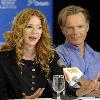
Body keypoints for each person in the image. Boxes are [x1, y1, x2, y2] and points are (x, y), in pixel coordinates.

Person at [0, 8, 64, 99]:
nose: (35, 32)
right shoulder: (3, 58)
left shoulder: (49, 55)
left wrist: (79, 91)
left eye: (39, 27)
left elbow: (62, 83)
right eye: (29, 26)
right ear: (20, 29)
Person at [56, 5, 100, 97]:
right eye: (70, 27)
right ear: (63, 29)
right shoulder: (56, 54)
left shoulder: (98, 56)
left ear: (87, 27)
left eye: (80, 26)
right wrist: (90, 88)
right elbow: (68, 85)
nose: (75, 32)